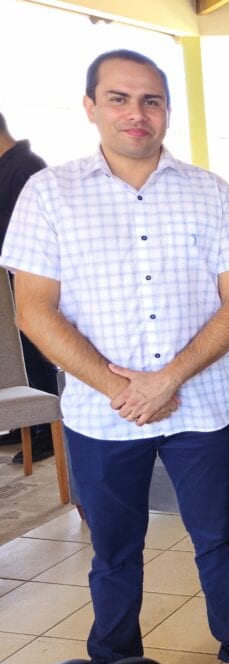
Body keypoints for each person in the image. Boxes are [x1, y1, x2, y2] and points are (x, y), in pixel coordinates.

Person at [0, 50, 229, 664]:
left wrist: (167, 379)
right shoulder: (50, 192)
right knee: (114, 552)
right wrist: (114, 384)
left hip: (199, 405)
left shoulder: (210, 192)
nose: (136, 113)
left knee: (218, 537)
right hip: (101, 416)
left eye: (151, 100)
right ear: (91, 107)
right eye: (120, 98)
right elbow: (31, 308)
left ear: (166, 111)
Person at [0, 110, 57, 461]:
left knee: (35, 353)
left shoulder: (24, 168)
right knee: (21, 357)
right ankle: (25, 425)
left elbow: (27, 232)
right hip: (12, 279)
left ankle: (45, 432)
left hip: (30, 279)